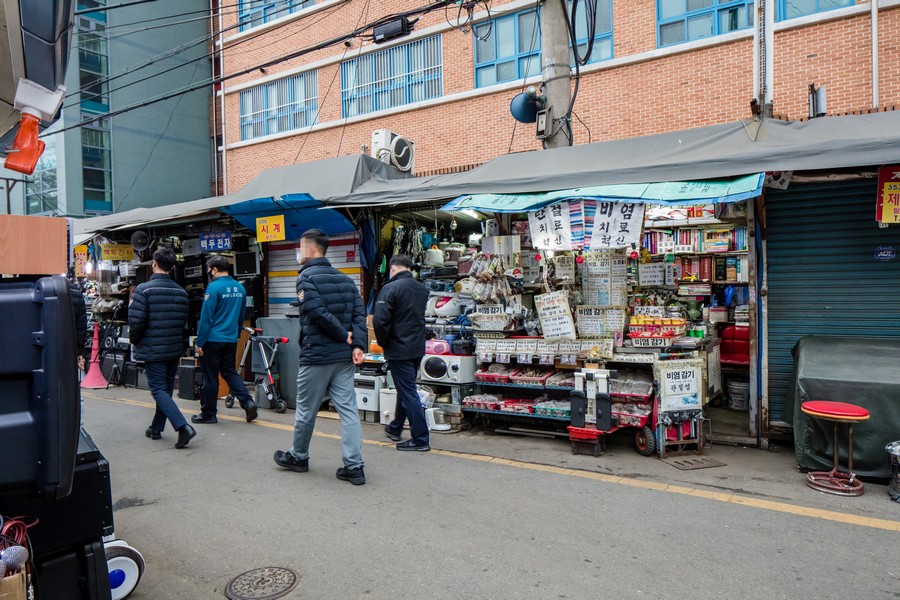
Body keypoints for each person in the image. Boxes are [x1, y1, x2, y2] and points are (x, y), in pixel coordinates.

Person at [273, 229, 368, 485]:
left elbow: (315, 311)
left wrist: (343, 336)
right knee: (348, 411)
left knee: (306, 410)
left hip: (317, 355)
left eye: (300, 247)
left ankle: (299, 457)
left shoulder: (306, 278)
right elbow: (360, 316)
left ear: (310, 248)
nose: (298, 253)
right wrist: (357, 343)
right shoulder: (347, 281)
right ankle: (354, 466)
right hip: (343, 358)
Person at [128, 247, 196, 449]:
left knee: (158, 390)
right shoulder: (181, 292)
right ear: (173, 267)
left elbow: (136, 321)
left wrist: (134, 340)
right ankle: (156, 428)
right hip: (173, 348)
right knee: (165, 390)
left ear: (154, 264)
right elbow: (184, 322)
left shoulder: (144, 290)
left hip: (153, 348)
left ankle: (183, 427)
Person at [374, 255, 431, 451]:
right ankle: (395, 428)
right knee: (405, 388)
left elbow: (380, 321)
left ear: (392, 269)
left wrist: (383, 343)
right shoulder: (421, 289)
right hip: (416, 348)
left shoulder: (390, 288)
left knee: (408, 392)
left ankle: (420, 439)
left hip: (399, 348)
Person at [193, 255, 257, 424]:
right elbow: (241, 315)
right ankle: (247, 401)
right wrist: (235, 334)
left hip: (212, 340)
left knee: (210, 377)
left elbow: (206, 318)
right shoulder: (240, 288)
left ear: (214, 269)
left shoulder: (213, 289)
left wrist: (199, 343)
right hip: (230, 339)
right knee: (229, 372)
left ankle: (208, 413)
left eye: (209, 269)